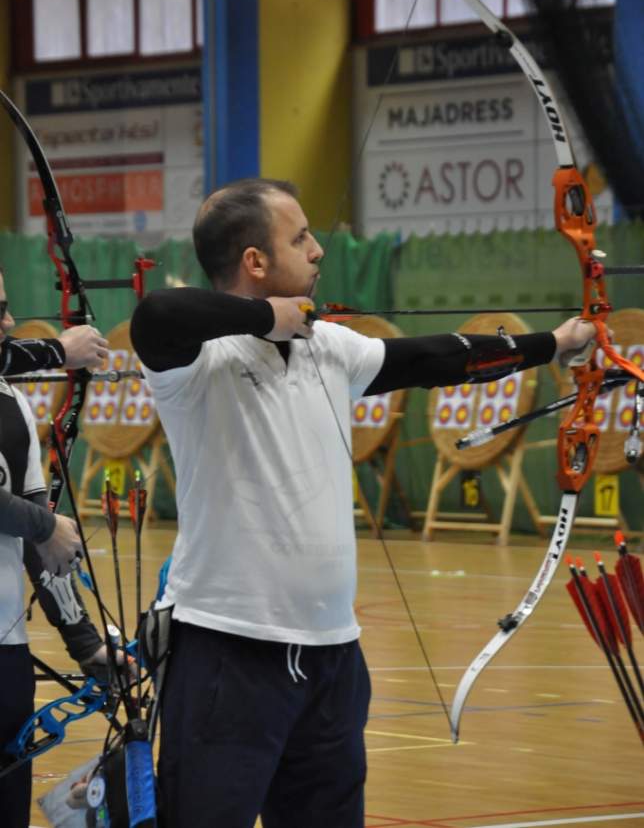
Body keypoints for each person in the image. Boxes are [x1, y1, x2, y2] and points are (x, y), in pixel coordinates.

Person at [130, 178, 598, 828]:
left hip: (332, 657)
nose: (318, 251)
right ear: (255, 262)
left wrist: (554, 343)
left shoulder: (331, 349)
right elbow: (156, 315)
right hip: (227, 653)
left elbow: (436, 358)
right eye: (300, 238)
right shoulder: (197, 365)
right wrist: (270, 318)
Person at [0, 268, 116, 828]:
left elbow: (40, 547)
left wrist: (86, 643)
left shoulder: (13, 407)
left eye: (6, 307)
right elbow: (39, 528)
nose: (6, 322)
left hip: (4, 653)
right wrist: (53, 350)